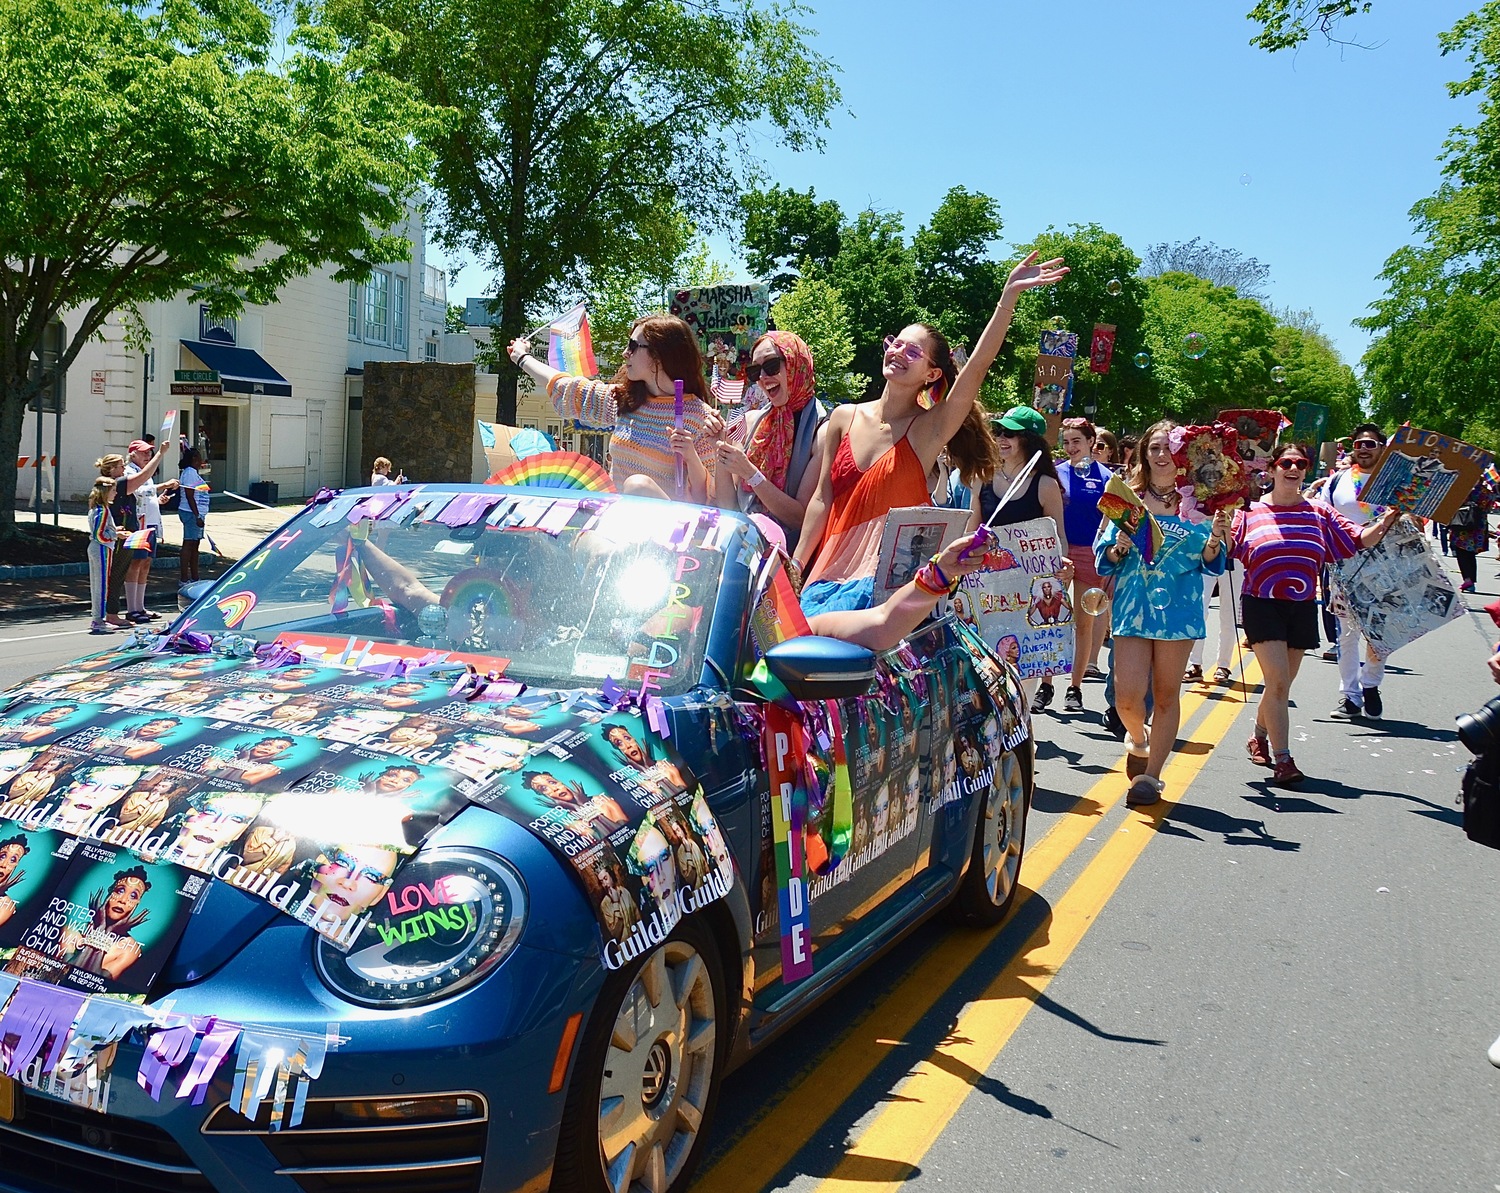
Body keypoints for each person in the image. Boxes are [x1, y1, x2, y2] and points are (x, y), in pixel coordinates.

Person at [794, 252, 1068, 615]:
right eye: (896, 343)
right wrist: (796, 565)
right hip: (824, 581)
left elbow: (978, 366)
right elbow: (821, 500)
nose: (898, 352)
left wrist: (1008, 298)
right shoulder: (843, 417)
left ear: (932, 374)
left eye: (913, 351)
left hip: (882, 593)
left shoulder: (928, 430)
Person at [1230, 442, 1402, 786]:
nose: (1293, 468)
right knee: (1278, 681)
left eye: (1300, 463)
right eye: (1286, 462)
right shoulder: (1249, 511)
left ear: (1307, 469)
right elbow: (1227, 550)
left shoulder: (1319, 513)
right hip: (1261, 603)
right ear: (1273, 468)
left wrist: (1391, 516)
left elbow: (1359, 540)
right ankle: (1284, 760)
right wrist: (1218, 528)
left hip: (1303, 605)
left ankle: (1259, 736)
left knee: (1281, 683)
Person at [1098, 420, 1231, 806]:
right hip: (1133, 608)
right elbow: (1105, 558)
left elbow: (1212, 563)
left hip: (1179, 609)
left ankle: (1151, 777)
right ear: (1144, 453)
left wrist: (1216, 540)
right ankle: (1138, 740)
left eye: (1169, 448)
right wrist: (1118, 546)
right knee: (1126, 697)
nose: (1161, 455)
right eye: (1154, 447)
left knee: (1167, 694)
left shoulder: (1203, 505)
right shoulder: (1127, 498)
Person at [508, 315, 719, 501]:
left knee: (638, 485)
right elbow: (565, 386)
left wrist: (690, 455)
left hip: (670, 539)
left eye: (633, 346)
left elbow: (710, 498)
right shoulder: (624, 400)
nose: (625, 353)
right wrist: (521, 357)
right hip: (618, 532)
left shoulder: (702, 419)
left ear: (659, 356)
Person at [965, 404, 1074, 712]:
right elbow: (972, 532)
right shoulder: (982, 477)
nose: (1001, 438)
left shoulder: (1046, 484)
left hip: (1029, 593)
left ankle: (1022, 740)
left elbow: (1059, 537)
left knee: (1022, 679)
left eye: (1010, 434)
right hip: (988, 593)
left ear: (1029, 439)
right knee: (988, 676)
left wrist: (1059, 565)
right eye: (997, 432)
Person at [712, 331, 827, 552]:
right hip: (742, 547)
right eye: (755, 371)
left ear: (796, 363)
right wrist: (720, 448)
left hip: (789, 556)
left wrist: (752, 474)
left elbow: (800, 519)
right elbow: (730, 508)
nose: (763, 377)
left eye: (772, 365)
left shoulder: (822, 430)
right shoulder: (752, 420)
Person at [1321, 424, 1394, 718]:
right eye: (1359, 443)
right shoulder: (1337, 481)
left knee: (1380, 631)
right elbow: (1321, 517)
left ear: (1381, 448)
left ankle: (1371, 683)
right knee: (1347, 633)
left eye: (1371, 444)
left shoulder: (1393, 482)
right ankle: (1350, 695)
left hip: (1385, 565)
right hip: (1342, 565)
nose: (1364, 448)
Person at [1056, 417, 1113, 711]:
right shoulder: (1055, 473)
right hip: (1060, 552)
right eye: (1065, 441)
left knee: (1083, 624)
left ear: (1092, 442)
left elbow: (1116, 518)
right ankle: (1045, 684)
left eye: (1076, 441)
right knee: (1051, 619)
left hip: (1091, 554)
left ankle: (1074, 687)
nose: (1070, 447)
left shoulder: (1106, 477)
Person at [123, 439, 174, 621]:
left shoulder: (145, 472)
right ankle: (132, 608)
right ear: (133, 454)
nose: (148, 455)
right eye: (144, 452)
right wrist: (163, 485)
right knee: (136, 563)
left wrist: (158, 500)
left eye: (149, 452)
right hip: (140, 524)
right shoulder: (129, 471)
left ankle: (140, 606)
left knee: (145, 564)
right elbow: (138, 490)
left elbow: (146, 494)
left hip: (150, 524)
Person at [1449, 476, 1494, 596]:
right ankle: (1470, 580)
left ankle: (1468, 580)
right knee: (1470, 554)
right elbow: (1489, 508)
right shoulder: (1487, 493)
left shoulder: (1467, 490)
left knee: (1461, 552)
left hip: (1464, 524)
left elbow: (1456, 502)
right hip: (1478, 526)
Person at [86, 476, 118, 634]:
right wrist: (115, 535)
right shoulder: (102, 510)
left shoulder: (96, 508)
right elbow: (100, 534)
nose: (115, 493)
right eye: (113, 490)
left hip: (97, 547)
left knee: (98, 584)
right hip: (101, 548)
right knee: (101, 584)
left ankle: (98, 617)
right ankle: (98, 619)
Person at [177, 446, 211, 584]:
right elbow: (190, 495)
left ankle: (195, 577)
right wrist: (196, 515)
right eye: (199, 457)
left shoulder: (193, 473)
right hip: (191, 513)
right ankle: (184, 578)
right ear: (194, 459)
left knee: (195, 544)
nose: (201, 459)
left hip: (198, 513)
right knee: (189, 543)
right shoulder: (190, 472)